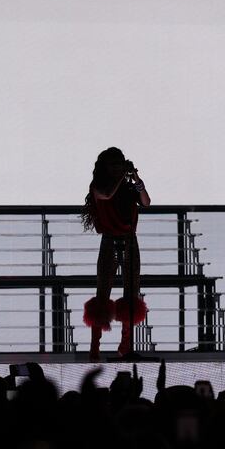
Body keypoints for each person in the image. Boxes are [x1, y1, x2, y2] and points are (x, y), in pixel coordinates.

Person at [81, 147, 151, 361]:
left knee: (132, 293)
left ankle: (126, 344)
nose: (118, 168)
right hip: (110, 240)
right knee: (103, 293)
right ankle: (95, 346)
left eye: (120, 164)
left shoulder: (128, 187)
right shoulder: (98, 185)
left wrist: (136, 179)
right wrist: (122, 176)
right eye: (113, 165)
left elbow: (146, 202)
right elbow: (107, 194)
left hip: (130, 239)